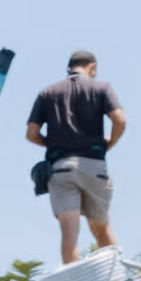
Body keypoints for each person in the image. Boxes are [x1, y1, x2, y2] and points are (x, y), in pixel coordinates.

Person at [26, 49, 128, 265]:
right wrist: (109, 144)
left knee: (69, 236)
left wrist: (53, 143)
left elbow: (31, 134)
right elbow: (120, 120)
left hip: (61, 168)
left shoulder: (47, 93)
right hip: (94, 167)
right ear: (92, 66)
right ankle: (117, 275)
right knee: (101, 229)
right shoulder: (101, 87)